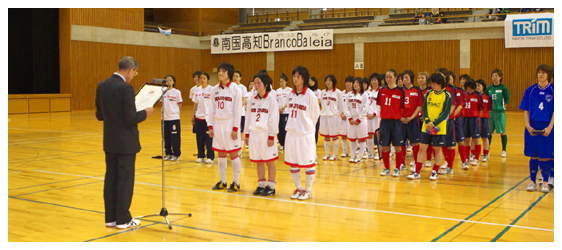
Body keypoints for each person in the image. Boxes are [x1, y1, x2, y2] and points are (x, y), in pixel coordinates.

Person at [95, 56, 154, 229]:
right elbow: (130, 118)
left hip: (110, 141)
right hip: (126, 142)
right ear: (130, 70)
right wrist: (145, 113)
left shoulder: (102, 86)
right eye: (134, 72)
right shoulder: (126, 88)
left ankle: (111, 218)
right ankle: (123, 219)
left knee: (111, 179)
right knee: (125, 181)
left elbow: (99, 115)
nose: (134, 75)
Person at [285, 66, 320, 200]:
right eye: (294, 76)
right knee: (293, 163)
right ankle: (299, 188)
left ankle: (308, 190)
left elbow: (315, 115)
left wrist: (308, 128)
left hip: (305, 134)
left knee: (308, 162)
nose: (295, 79)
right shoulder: (290, 94)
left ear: (304, 78)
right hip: (292, 133)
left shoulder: (310, 95)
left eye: (298, 77)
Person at [408, 73, 452, 181]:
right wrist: (427, 122)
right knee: (422, 148)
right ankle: (417, 171)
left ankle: (434, 171)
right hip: (426, 127)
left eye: (433, 83)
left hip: (439, 128)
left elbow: (445, 113)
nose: (431, 85)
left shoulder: (447, 95)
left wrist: (433, 124)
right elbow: (425, 108)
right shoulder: (428, 93)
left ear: (439, 83)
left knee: (437, 149)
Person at [209, 62, 243, 192]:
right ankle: (222, 181)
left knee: (233, 153)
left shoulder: (235, 89)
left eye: (223, 71)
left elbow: (238, 110)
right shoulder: (214, 89)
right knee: (221, 153)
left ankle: (236, 182)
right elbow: (211, 108)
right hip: (218, 124)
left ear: (229, 73)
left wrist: (235, 128)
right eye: (219, 71)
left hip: (230, 124)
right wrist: (210, 125)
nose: (220, 73)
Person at [245, 70, 279, 196]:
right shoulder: (251, 100)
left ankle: (271, 186)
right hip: (254, 134)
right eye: (254, 83)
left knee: (269, 161)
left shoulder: (271, 99)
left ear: (265, 84)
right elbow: (248, 118)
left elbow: (274, 118)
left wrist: (272, 135)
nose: (256, 85)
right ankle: (261, 184)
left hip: (266, 134)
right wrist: (247, 134)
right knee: (258, 160)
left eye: (258, 83)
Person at [520, 64, 554, 193]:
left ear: (548, 76)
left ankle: (545, 182)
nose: (540, 75)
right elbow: (525, 109)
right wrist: (527, 125)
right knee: (533, 155)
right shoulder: (530, 90)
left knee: (545, 156)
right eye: (539, 72)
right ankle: (532, 182)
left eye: (543, 73)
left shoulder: (554, 90)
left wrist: (550, 127)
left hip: (547, 126)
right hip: (533, 126)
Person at [377, 69, 406, 177]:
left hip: (396, 123)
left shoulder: (400, 91)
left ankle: (397, 168)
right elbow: (380, 105)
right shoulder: (382, 90)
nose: (388, 79)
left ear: (395, 78)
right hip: (385, 122)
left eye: (390, 77)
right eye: (386, 77)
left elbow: (402, 107)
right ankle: (386, 168)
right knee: (385, 147)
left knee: (398, 146)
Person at [435, 68, 458, 176]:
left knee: (450, 144)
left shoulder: (450, 89)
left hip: (448, 120)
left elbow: (453, 104)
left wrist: (446, 116)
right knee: (441, 144)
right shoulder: (434, 89)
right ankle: (445, 163)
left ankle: (450, 166)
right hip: (437, 121)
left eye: (442, 75)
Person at [401, 70, 423, 171]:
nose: (405, 80)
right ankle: (401, 163)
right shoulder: (400, 91)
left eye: (406, 77)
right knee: (401, 143)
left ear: (411, 78)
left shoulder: (417, 90)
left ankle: (415, 162)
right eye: (403, 78)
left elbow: (420, 106)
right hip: (401, 120)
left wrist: (412, 117)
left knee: (415, 142)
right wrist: (401, 117)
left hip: (413, 120)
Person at [319, 74, 343, 161]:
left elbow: (341, 105)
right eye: (326, 81)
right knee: (326, 136)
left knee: (334, 136)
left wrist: (340, 114)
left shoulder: (338, 92)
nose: (328, 82)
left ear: (333, 82)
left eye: (329, 80)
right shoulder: (322, 92)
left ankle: (335, 155)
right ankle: (327, 154)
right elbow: (322, 103)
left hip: (334, 117)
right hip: (324, 115)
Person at [344, 77, 368, 163]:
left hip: (360, 120)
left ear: (361, 84)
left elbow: (365, 108)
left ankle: (360, 156)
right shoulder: (349, 94)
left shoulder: (364, 95)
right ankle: (353, 155)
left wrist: (359, 119)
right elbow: (346, 107)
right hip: (351, 119)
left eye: (357, 83)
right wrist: (349, 118)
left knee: (361, 139)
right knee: (352, 138)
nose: (355, 84)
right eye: (354, 83)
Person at [487, 69, 510, 158]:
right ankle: (487, 150)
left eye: (496, 76)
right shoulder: (489, 88)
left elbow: (507, 99)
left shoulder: (503, 88)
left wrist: (502, 107)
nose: (494, 78)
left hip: (500, 113)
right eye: (493, 76)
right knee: (489, 132)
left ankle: (504, 150)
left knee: (502, 132)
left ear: (500, 77)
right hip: (490, 113)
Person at [193, 72, 214, 164]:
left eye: (204, 78)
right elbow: (195, 104)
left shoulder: (212, 89)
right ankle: (200, 156)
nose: (202, 80)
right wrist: (193, 115)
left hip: (208, 118)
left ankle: (210, 157)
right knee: (199, 138)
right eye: (200, 78)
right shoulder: (197, 90)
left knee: (208, 138)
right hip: (198, 117)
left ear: (207, 79)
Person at [462, 79, 484, 168]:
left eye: (470, 88)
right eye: (467, 88)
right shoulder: (464, 95)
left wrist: (477, 116)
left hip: (474, 119)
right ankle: (466, 158)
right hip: (465, 119)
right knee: (466, 139)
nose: (469, 90)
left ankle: (476, 158)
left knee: (476, 139)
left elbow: (481, 109)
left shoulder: (478, 95)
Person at [449, 71, 468, 171]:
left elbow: (460, 105)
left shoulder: (458, 90)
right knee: (447, 143)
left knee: (460, 141)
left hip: (456, 119)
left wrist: (453, 115)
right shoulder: (443, 90)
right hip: (446, 120)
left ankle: (464, 161)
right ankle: (448, 164)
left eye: (450, 77)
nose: (449, 79)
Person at [161, 75, 183, 161]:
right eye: (167, 80)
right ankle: (168, 154)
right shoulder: (163, 91)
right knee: (166, 137)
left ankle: (176, 154)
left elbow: (180, 103)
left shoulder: (177, 92)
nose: (168, 82)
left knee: (175, 137)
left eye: (170, 80)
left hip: (174, 118)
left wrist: (176, 113)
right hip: (164, 118)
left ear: (173, 82)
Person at [418, 71, 434, 167]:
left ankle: (428, 159)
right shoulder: (416, 90)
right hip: (417, 117)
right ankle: (418, 160)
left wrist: (426, 116)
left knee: (428, 140)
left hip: (427, 118)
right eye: (419, 78)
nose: (420, 80)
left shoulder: (430, 91)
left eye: (422, 78)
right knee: (418, 141)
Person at [233, 70, 250, 158]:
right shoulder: (231, 87)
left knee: (241, 132)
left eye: (237, 76)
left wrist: (237, 109)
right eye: (234, 76)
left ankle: (239, 150)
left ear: (240, 77)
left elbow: (244, 100)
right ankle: (234, 148)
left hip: (241, 113)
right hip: (232, 114)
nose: (235, 78)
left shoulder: (242, 87)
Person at [365, 73, 381, 160]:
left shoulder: (381, 91)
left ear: (378, 81)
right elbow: (365, 104)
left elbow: (380, 105)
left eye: (375, 80)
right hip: (368, 116)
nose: (373, 82)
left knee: (378, 135)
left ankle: (378, 153)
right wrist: (367, 114)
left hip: (377, 116)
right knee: (369, 135)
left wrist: (374, 114)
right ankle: (370, 152)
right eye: (372, 80)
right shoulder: (367, 92)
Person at [475, 79, 492, 162]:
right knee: (475, 138)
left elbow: (489, 108)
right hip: (475, 118)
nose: (477, 87)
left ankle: (485, 154)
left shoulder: (488, 97)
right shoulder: (474, 96)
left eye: (479, 85)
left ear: (483, 87)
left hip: (484, 119)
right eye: (476, 85)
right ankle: (474, 154)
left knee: (485, 137)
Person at [339, 76, 355, 158]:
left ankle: (354, 151)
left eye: (350, 82)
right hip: (343, 117)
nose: (348, 84)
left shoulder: (354, 93)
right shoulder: (342, 93)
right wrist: (341, 114)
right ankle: (344, 150)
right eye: (347, 82)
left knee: (353, 135)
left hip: (351, 118)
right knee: (343, 135)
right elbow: (339, 105)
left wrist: (349, 115)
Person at [276, 73, 292, 151]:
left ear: (286, 82)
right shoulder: (277, 91)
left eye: (282, 81)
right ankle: (282, 143)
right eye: (280, 81)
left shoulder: (290, 90)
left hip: (286, 112)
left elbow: (290, 101)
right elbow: (276, 101)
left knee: (285, 128)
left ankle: (287, 144)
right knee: (280, 128)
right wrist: (278, 108)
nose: (281, 83)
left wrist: (283, 108)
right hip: (279, 112)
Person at [309, 76, 322, 148]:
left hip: (316, 112)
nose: (310, 83)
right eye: (310, 81)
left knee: (316, 128)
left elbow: (319, 101)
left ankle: (315, 141)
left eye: (312, 81)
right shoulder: (307, 91)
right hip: (308, 112)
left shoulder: (318, 91)